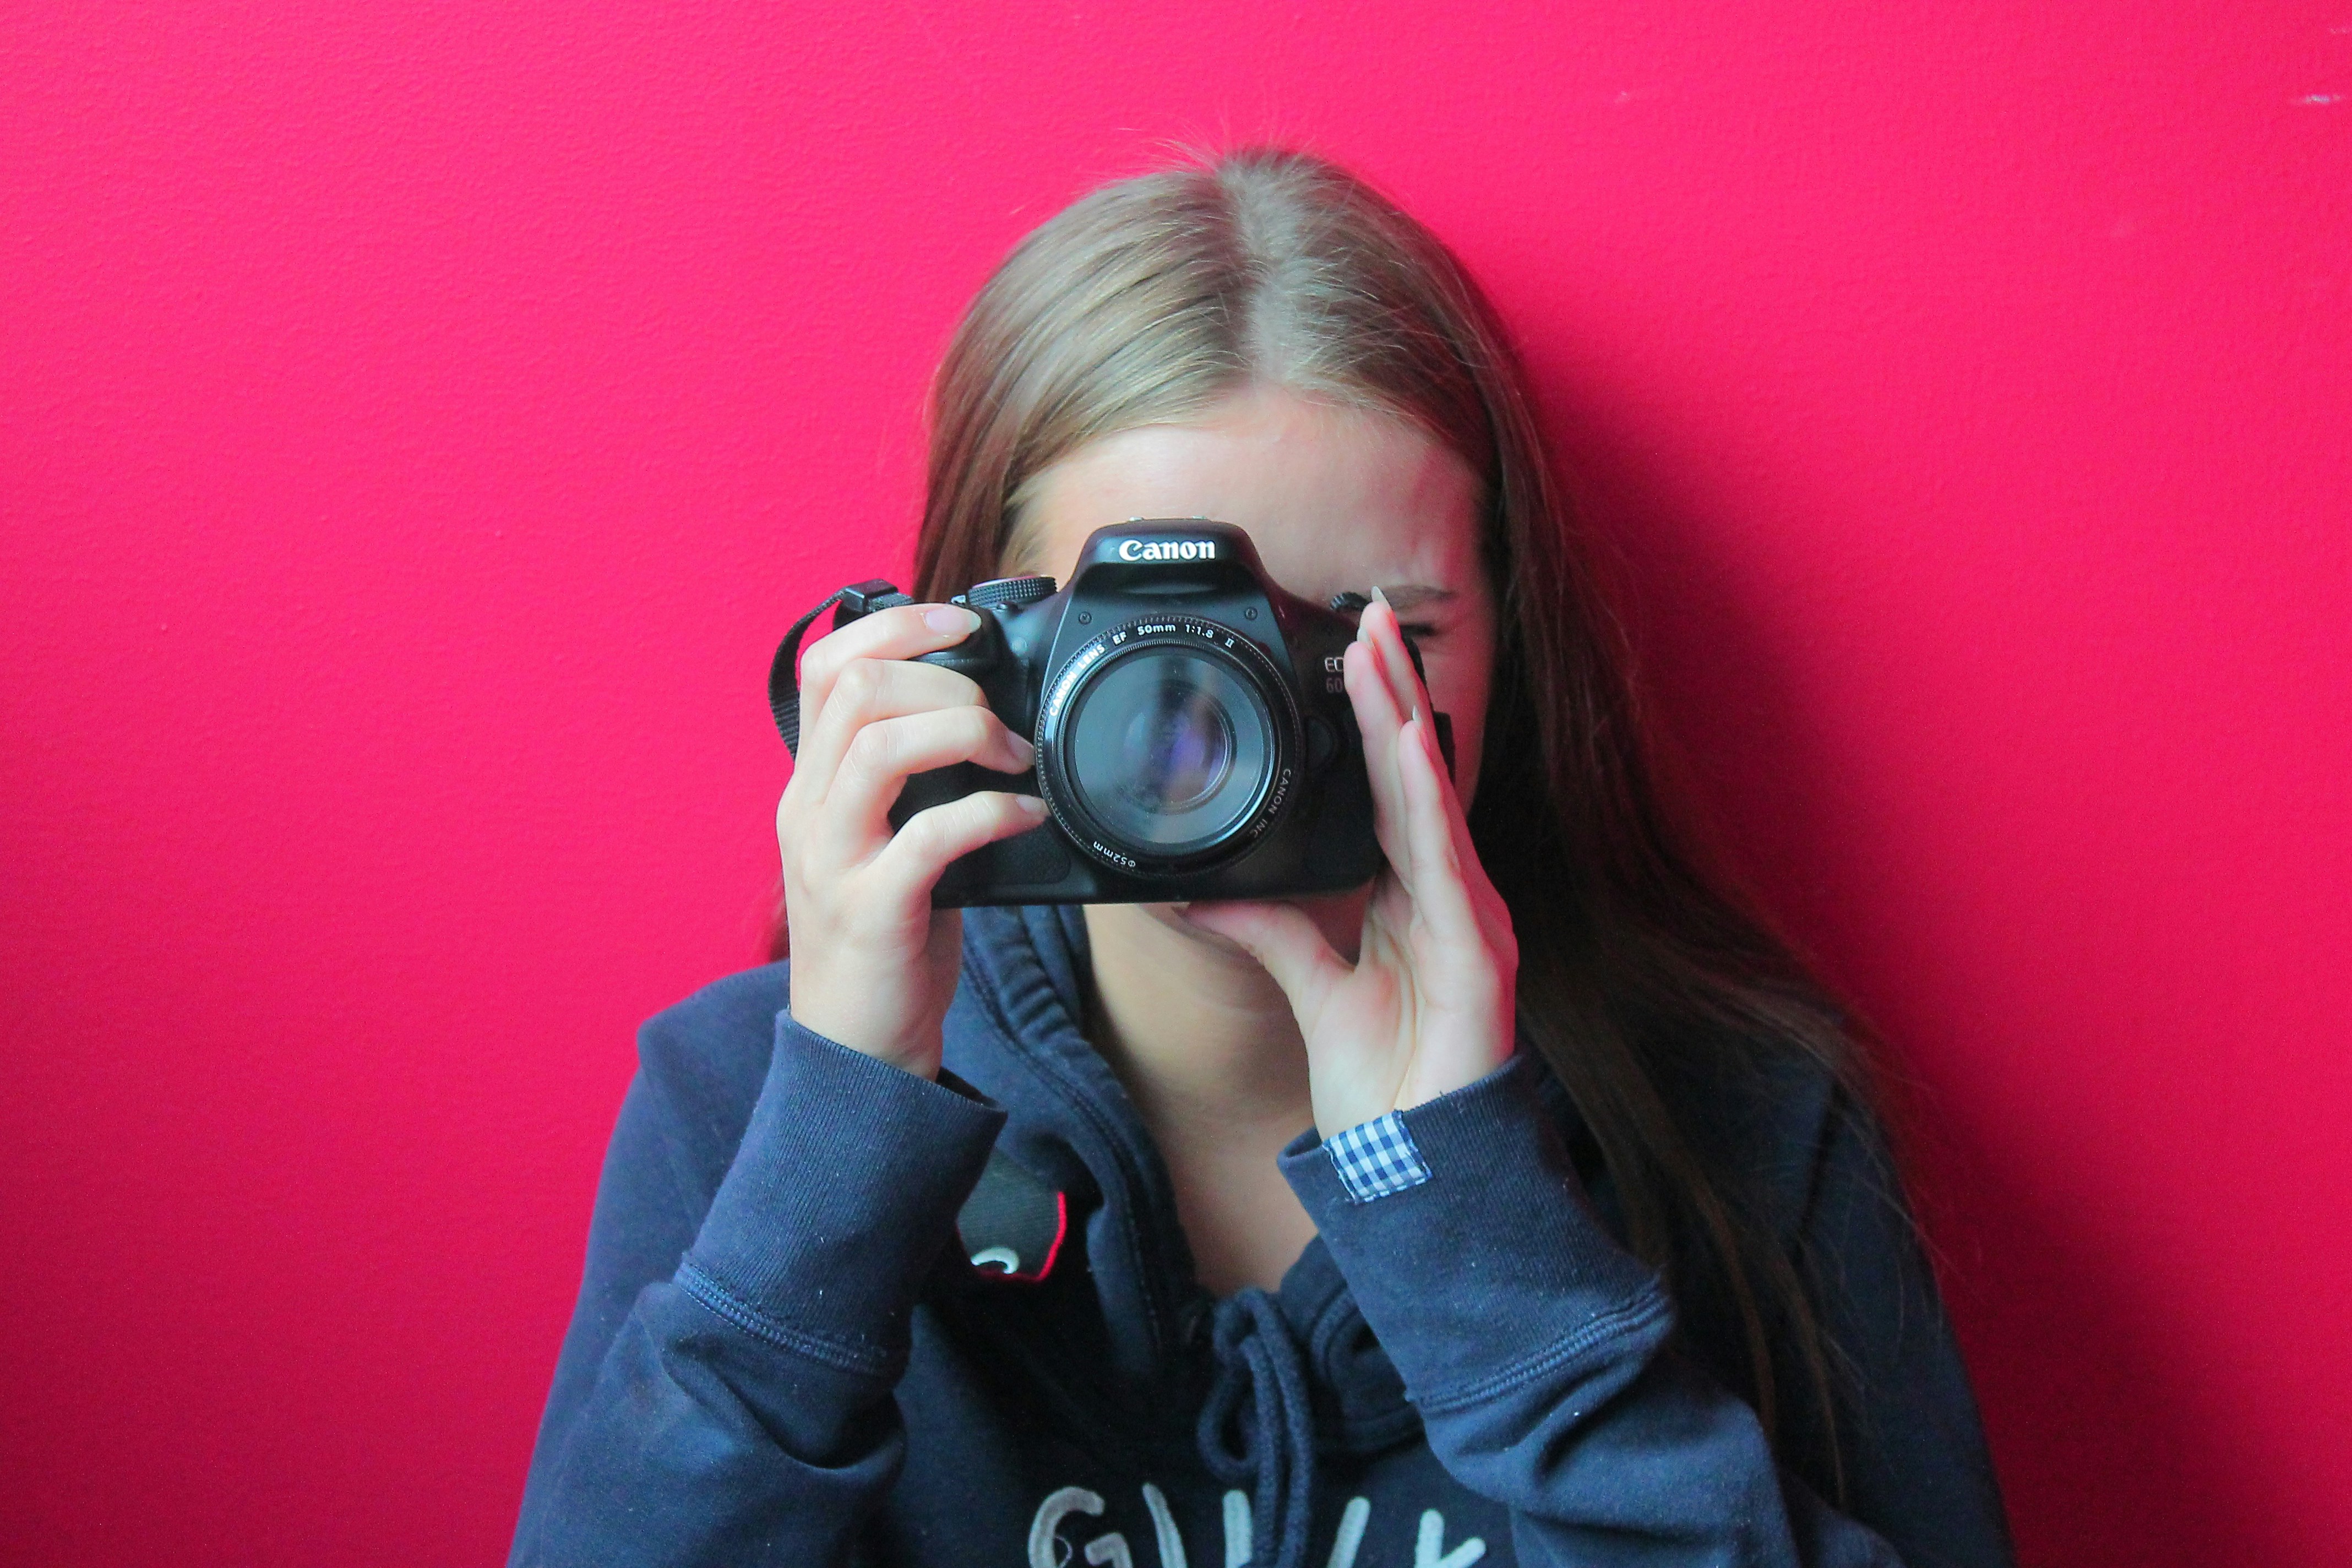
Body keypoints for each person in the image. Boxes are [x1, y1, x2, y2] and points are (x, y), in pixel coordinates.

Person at [509, 148, 2013, 1568]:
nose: (1229, 726)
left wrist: (1474, 1220)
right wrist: (838, 1147)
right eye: (1147, 646)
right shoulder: (752, 1104)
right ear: (976, 656)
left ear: (1515, 650)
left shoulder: (1750, 1125)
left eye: (1374, 632)